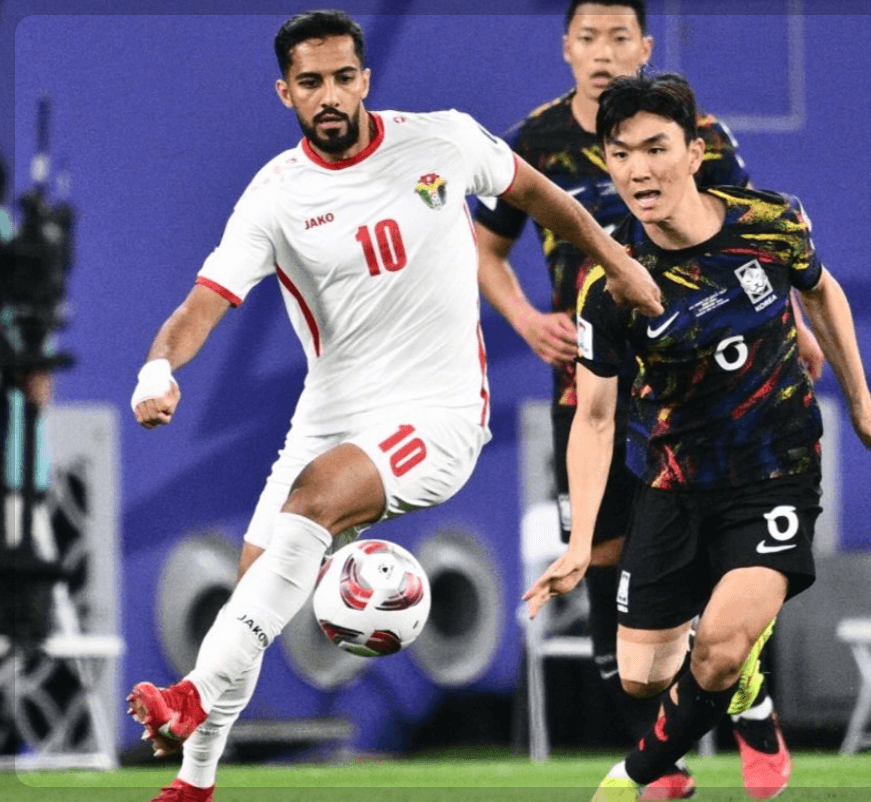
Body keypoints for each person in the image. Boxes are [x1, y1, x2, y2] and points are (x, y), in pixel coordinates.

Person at [125, 11, 663, 802]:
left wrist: (616, 261)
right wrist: (156, 370)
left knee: (313, 499)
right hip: (329, 418)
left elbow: (538, 194)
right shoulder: (275, 196)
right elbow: (202, 305)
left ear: (365, 79)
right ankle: (194, 781)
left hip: (440, 415)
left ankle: (193, 694)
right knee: (253, 588)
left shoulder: (441, 140)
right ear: (285, 93)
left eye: (344, 77)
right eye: (311, 82)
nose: (330, 95)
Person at [523, 71, 871, 802]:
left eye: (655, 148)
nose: (638, 170)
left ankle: (629, 779)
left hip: (775, 469)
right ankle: (745, 688)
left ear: (694, 152)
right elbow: (596, 418)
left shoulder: (770, 222)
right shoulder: (611, 285)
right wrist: (578, 545)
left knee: (718, 651)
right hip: (673, 484)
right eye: (620, 154)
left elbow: (821, 291)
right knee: (642, 675)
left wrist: (862, 411)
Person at [475, 2, 821, 798]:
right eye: (587, 38)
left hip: (703, 385)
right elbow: (485, 251)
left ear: (644, 46)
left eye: (618, 37)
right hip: (593, 380)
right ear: (565, 48)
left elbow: (749, 247)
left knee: (724, 554)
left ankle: (730, 696)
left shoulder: (700, 136)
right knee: (601, 561)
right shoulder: (532, 143)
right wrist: (524, 319)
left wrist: (795, 328)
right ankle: (662, 747)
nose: (602, 53)